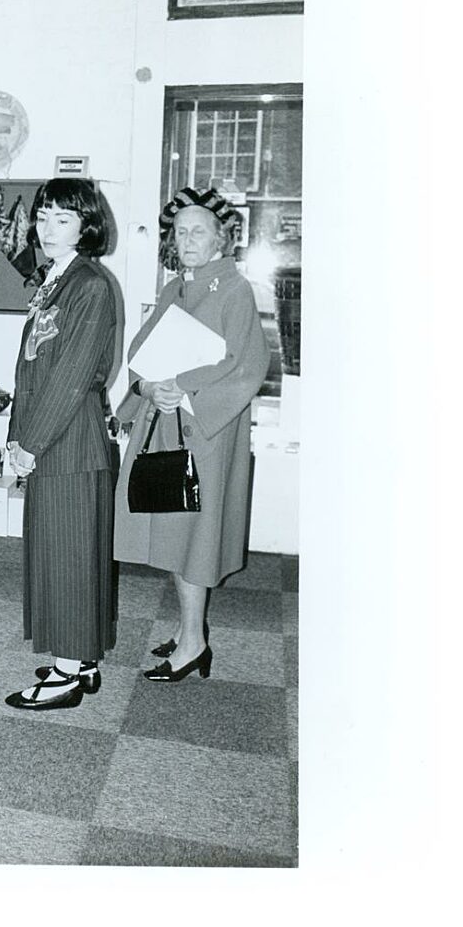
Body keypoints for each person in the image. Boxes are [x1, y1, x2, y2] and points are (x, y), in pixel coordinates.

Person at [114, 187, 270, 682]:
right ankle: (189, 629)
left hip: (205, 429)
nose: (186, 239)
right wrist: (143, 385)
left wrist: (179, 388)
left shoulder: (235, 290)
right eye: (180, 232)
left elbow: (246, 366)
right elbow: (142, 352)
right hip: (164, 421)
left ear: (221, 238)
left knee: (194, 539)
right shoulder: (174, 287)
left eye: (197, 231)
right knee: (172, 534)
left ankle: (194, 642)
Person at [5, 178, 117, 711]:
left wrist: (31, 444)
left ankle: (67, 675)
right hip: (53, 440)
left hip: (68, 443)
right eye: (44, 216)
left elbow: (72, 376)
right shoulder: (56, 279)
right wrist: (15, 438)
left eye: (63, 219)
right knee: (62, 552)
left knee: (69, 556)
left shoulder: (90, 284)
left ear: (86, 225)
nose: (48, 228)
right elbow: (32, 368)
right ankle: (81, 657)